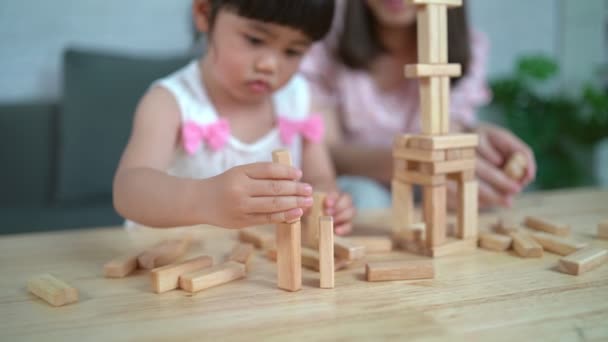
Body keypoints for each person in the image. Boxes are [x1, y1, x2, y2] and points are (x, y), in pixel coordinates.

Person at [113, 0, 355, 235]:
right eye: (255, 40)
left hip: (255, 268)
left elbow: (319, 179)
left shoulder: (299, 100)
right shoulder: (170, 102)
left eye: (293, 51)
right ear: (204, 13)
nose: (269, 64)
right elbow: (128, 191)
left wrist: (327, 204)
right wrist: (205, 199)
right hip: (167, 261)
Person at [301, 0, 536, 210]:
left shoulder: (468, 47)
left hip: (421, 189)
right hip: (356, 188)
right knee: (365, 197)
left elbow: (448, 134)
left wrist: (472, 139)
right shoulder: (325, 37)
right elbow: (324, 152)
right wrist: (418, 161)